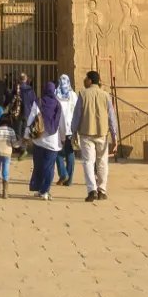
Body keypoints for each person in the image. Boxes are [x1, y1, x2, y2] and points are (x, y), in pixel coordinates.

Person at [75, 70, 118, 202]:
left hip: (86, 133)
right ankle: (102, 190)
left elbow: (76, 116)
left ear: (89, 80)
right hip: (102, 133)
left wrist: (73, 132)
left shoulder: (83, 94)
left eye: (86, 78)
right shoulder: (106, 95)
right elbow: (111, 117)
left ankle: (92, 190)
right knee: (102, 162)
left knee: (88, 162)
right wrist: (115, 136)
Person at [29, 87, 66, 200]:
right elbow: (62, 123)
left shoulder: (39, 102)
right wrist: (63, 137)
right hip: (53, 141)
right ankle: (45, 191)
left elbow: (31, 119)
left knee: (39, 166)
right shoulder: (58, 105)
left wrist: (27, 135)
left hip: (39, 140)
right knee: (49, 167)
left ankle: (41, 189)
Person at [0, 109, 20, 198]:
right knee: (5, 172)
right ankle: (5, 193)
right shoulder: (11, 131)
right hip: (7, 154)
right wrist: (21, 143)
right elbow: (14, 144)